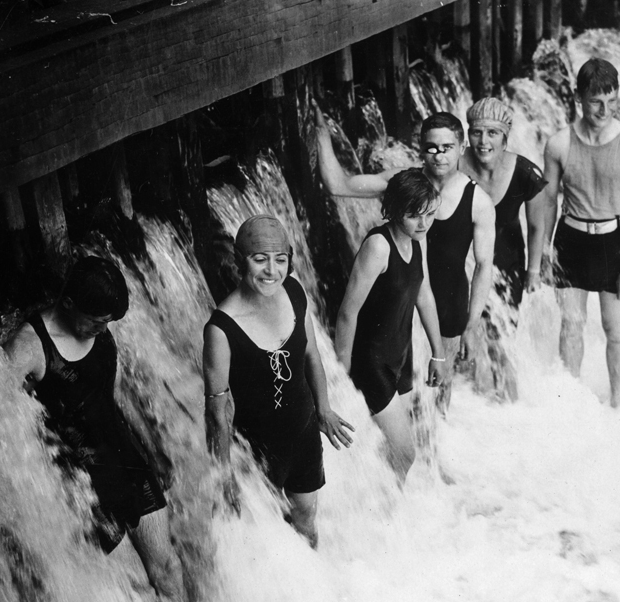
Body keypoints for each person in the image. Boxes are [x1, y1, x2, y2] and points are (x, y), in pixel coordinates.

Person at [4, 255, 190, 602]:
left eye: (109, 323)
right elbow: (6, 428)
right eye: (97, 322)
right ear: (69, 303)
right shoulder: (28, 347)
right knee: (135, 589)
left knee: (166, 568)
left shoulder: (97, 327)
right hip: (82, 487)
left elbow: (113, 397)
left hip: (125, 462)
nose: (103, 330)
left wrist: (152, 448)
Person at [316, 111, 495, 413]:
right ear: (421, 148)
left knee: (440, 390)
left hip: (447, 304)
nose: (438, 155)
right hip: (396, 302)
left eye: (447, 147)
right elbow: (338, 185)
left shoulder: (477, 201)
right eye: (431, 147)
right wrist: (320, 133)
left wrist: (472, 322)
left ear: (461, 148)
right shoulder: (401, 184)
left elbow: (483, 266)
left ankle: (432, 453)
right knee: (398, 394)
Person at [202, 216, 354, 549]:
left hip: (302, 434)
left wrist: (325, 409)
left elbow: (312, 354)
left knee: (306, 522)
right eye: (259, 259)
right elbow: (217, 410)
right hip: (257, 449)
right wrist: (222, 473)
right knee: (262, 542)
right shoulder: (221, 329)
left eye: (280, 260)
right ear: (239, 261)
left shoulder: (295, 293)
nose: (271, 270)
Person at [537, 57, 620, 407]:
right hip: (571, 239)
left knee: (614, 329)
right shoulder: (559, 143)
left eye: (611, 101)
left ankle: (617, 403)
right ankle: (571, 402)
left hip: (613, 243)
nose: (604, 110)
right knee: (571, 325)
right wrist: (544, 249)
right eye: (595, 102)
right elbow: (548, 201)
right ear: (578, 98)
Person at [334, 168, 448, 482]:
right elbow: (347, 312)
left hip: (400, 354)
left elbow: (424, 295)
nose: (424, 224)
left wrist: (438, 355)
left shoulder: (417, 239)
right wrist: (342, 372)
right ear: (395, 210)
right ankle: (389, 520)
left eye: (429, 214)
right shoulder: (379, 247)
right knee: (404, 452)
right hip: (371, 362)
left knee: (399, 445)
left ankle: (387, 509)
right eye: (414, 215)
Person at [460, 97, 551, 309]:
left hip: (508, 261)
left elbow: (537, 227)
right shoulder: (454, 165)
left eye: (492, 133)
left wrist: (534, 270)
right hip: (463, 263)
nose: (483, 142)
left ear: (504, 138)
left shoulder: (526, 174)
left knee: (499, 337)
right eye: (476, 133)